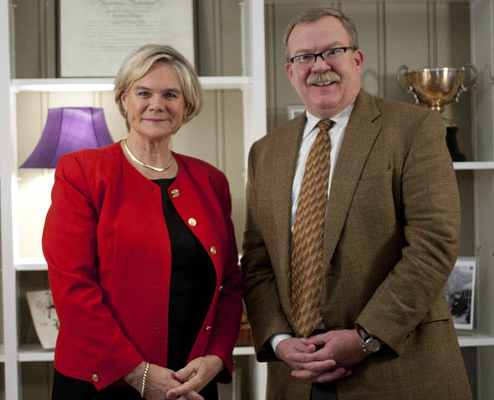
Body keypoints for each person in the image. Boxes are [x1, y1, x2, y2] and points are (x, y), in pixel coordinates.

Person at [241, 7, 472, 400]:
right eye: (304, 57)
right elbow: (258, 259)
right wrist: (279, 339)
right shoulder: (266, 152)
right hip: (296, 377)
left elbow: (434, 244)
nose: (319, 66)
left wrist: (366, 336)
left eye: (333, 51)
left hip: (397, 369)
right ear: (289, 71)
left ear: (357, 59)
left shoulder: (414, 129)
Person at [43, 44, 243, 400]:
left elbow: (229, 283)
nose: (157, 104)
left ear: (187, 106)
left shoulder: (211, 181)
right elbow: (72, 287)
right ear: (124, 100)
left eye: (170, 94)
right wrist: (137, 374)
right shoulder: (82, 172)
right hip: (103, 381)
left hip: (190, 382)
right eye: (143, 92)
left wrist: (216, 357)